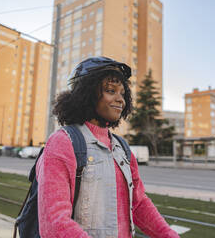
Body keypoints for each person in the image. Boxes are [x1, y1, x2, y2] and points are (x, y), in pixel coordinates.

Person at [36, 57, 179, 238]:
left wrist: (169, 234)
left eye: (123, 93)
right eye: (111, 91)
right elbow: (54, 224)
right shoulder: (63, 142)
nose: (121, 100)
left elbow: (139, 203)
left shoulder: (122, 148)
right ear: (86, 94)